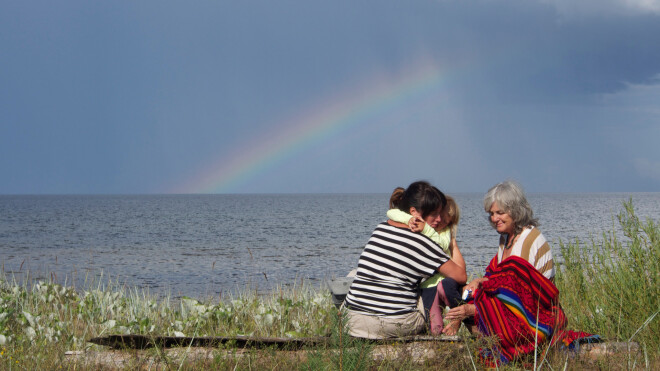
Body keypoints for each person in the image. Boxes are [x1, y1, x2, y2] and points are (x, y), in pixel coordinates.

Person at [445, 180, 598, 365]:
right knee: (468, 291)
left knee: (475, 304)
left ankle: (504, 348)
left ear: (516, 211)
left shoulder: (529, 239)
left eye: (500, 213)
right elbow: (496, 277)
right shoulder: (506, 238)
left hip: (535, 313)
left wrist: (474, 309)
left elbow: (518, 292)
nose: (494, 219)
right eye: (491, 214)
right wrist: (479, 281)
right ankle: (484, 338)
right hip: (515, 305)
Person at [343, 181, 467, 339]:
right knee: (440, 285)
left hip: (351, 321)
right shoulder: (423, 243)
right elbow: (461, 275)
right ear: (414, 212)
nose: (438, 220)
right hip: (392, 323)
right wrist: (452, 243)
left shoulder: (380, 228)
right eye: (434, 213)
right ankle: (439, 331)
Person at [387, 194, 466, 335]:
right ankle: (440, 339)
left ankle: (456, 318)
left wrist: (426, 229)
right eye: (437, 218)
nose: (440, 224)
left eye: (446, 223)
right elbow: (392, 213)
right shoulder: (419, 223)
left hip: (443, 281)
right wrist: (409, 219)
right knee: (434, 329)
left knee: (447, 289)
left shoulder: (442, 233)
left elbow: (440, 245)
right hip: (426, 285)